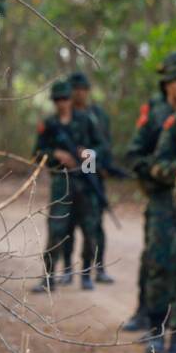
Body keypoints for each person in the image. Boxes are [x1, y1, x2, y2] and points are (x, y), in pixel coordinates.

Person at [125, 53, 176, 353]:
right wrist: (160, 172)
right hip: (162, 202)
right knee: (159, 263)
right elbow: (135, 156)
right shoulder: (154, 114)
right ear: (167, 84)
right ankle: (155, 327)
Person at [32, 79, 103, 292]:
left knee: (90, 231)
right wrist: (55, 154)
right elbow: (36, 153)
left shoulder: (86, 120)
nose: (61, 103)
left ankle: (86, 275)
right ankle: (48, 277)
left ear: (70, 99)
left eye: (64, 98)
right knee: (56, 230)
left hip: (85, 182)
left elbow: (101, 147)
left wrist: (86, 155)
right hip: (61, 183)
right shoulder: (49, 125)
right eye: (57, 100)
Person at [63, 71, 118, 284]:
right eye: (75, 90)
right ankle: (68, 268)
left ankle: (99, 267)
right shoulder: (63, 116)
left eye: (82, 90)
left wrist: (100, 164)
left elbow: (104, 144)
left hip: (93, 178)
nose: (79, 94)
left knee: (94, 224)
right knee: (67, 225)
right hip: (69, 179)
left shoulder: (98, 115)